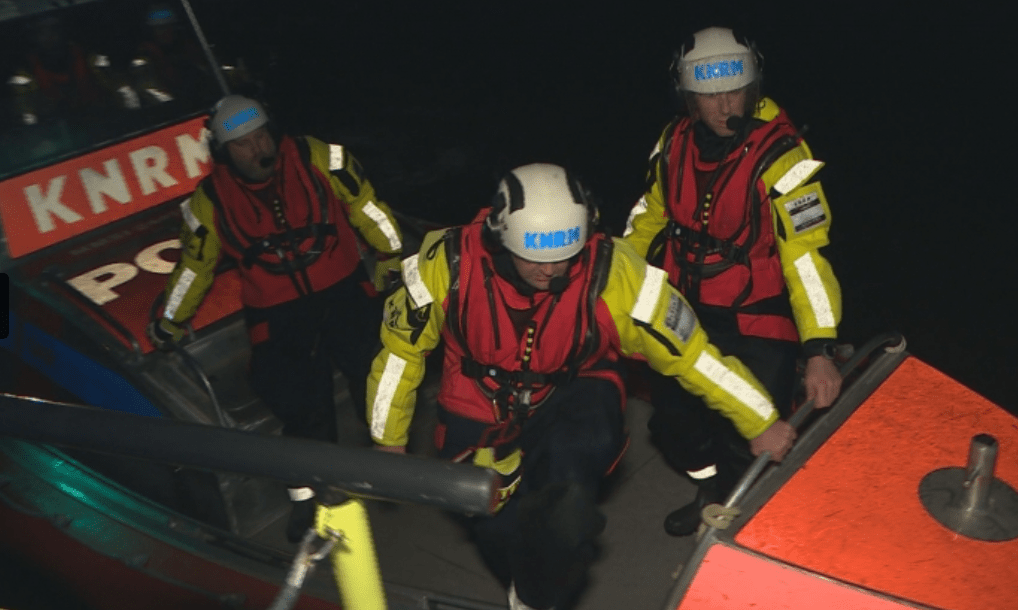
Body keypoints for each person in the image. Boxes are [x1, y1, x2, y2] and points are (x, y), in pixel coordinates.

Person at [367, 162, 796, 610]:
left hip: (574, 394)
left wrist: (760, 419)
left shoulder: (616, 275)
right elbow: (401, 354)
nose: (550, 270)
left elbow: (693, 357)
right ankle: (525, 580)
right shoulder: (446, 265)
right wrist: (387, 439)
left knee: (566, 515)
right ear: (500, 237)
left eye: (564, 255)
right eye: (535, 256)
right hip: (478, 403)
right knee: (490, 523)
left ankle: (536, 597)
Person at [148, 94, 404, 542]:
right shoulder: (209, 202)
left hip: (344, 289)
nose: (258, 148)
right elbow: (195, 266)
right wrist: (169, 321)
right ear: (224, 153)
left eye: (263, 135)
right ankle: (307, 499)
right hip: (278, 311)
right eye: (243, 144)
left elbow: (365, 206)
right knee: (300, 403)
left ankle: (393, 471)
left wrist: (394, 255)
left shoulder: (320, 157)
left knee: (377, 377)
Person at [622, 26, 844, 537]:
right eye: (709, 94)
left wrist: (819, 348)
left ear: (752, 89)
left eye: (734, 91)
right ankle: (711, 487)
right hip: (682, 306)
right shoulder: (672, 140)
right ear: (688, 98)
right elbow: (649, 217)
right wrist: (609, 276)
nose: (724, 106)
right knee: (673, 424)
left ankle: (733, 523)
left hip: (755, 314)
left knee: (754, 427)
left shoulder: (783, 155)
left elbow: (806, 259)